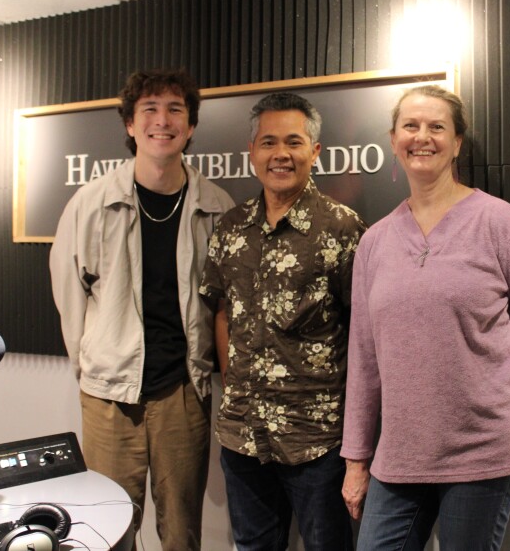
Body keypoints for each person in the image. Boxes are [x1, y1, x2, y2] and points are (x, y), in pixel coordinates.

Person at [340, 84, 510, 550]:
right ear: (393, 139)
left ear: (457, 143)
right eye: (410, 125)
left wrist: (489, 370)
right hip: (401, 452)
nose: (421, 137)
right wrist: (355, 459)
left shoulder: (498, 222)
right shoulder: (376, 242)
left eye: (436, 127)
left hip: (482, 448)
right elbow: (365, 360)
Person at [49, 69, 235, 551]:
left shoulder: (217, 206)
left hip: (183, 393)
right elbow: (71, 297)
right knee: (107, 529)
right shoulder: (91, 203)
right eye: (149, 109)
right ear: (130, 125)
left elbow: (225, 305)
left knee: (181, 532)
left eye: (175, 109)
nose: (162, 120)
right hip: (110, 397)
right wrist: (92, 365)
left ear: (190, 126)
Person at [199, 92, 366, 551]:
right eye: (268, 142)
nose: (280, 154)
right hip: (242, 436)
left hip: (317, 440)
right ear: (251, 153)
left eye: (293, 142)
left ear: (315, 151)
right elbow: (222, 309)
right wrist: (233, 380)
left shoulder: (343, 229)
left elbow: (364, 332)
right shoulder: (231, 227)